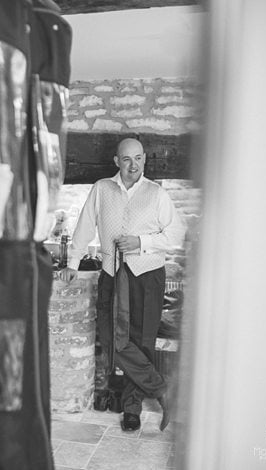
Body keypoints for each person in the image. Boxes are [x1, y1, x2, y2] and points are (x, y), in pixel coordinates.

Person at [58, 138, 185, 432]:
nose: (134, 165)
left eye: (139, 159)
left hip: (148, 276)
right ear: (117, 161)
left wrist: (141, 242)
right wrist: (73, 263)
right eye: (127, 159)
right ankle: (160, 387)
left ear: (144, 160)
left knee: (142, 341)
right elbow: (85, 226)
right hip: (112, 273)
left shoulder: (157, 194)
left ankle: (132, 409)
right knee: (112, 337)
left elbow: (176, 234)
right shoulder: (102, 188)